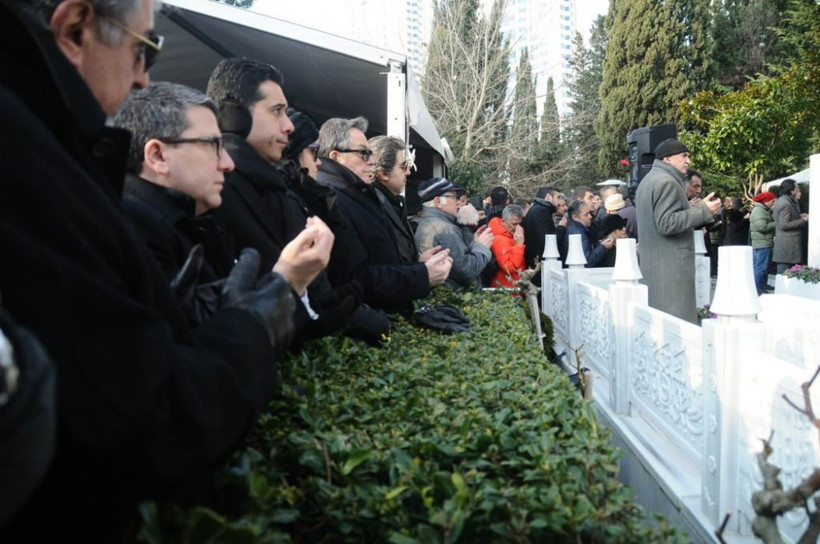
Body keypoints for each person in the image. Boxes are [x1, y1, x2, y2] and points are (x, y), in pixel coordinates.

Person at [0, 0, 311, 540]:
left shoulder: (46, 147)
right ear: (74, 28)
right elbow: (136, 417)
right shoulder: (26, 156)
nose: (145, 77)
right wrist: (255, 322)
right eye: (143, 48)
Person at [316, 117, 452, 314]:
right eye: (364, 153)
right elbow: (356, 279)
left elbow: (380, 260)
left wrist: (418, 267)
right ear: (336, 157)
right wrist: (420, 274)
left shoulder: (358, 197)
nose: (371, 161)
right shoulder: (332, 201)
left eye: (370, 153)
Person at [635, 138, 721, 323]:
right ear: (667, 159)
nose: (688, 161)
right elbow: (666, 223)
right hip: (671, 273)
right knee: (676, 333)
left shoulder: (649, 180)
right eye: (684, 156)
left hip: (655, 270)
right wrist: (704, 210)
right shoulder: (667, 182)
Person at [415, 178, 494, 288]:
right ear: (438, 202)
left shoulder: (428, 223)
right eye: (453, 197)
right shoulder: (445, 229)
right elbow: (465, 271)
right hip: (450, 297)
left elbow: (455, 261)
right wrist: (482, 247)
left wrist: (473, 244)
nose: (457, 202)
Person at [369, 135, 421, 266]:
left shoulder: (395, 204)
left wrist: (419, 263)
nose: (408, 172)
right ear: (383, 173)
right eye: (403, 167)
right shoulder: (372, 207)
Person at [772, 178, 809, 273]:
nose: (798, 190)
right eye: (796, 187)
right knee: (783, 276)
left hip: (786, 246)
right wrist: (803, 220)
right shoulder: (786, 203)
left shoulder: (783, 200)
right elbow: (784, 224)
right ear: (791, 190)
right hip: (788, 246)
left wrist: (799, 216)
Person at [564, 201, 613, 268]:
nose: (590, 216)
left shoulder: (574, 228)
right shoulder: (579, 234)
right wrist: (603, 247)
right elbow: (587, 261)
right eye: (586, 214)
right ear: (575, 217)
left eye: (590, 213)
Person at [488, 205, 526, 288]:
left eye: (519, 224)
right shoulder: (499, 239)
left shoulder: (509, 235)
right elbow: (508, 267)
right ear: (503, 221)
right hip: (508, 290)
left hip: (512, 287)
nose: (517, 228)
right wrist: (519, 246)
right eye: (514, 224)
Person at [522, 186, 557, 273]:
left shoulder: (535, 209)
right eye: (557, 197)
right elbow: (547, 240)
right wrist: (561, 228)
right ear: (548, 197)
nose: (558, 201)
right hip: (539, 263)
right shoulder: (541, 211)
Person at [750, 191, 777, 294]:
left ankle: (762, 285)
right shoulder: (759, 211)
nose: (773, 203)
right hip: (762, 243)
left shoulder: (763, 210)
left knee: (761, 266)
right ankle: (758, 288)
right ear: (766, 201)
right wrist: (776, 223)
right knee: (760, 267)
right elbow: (761, 227)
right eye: (772, 201)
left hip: (762, 242)